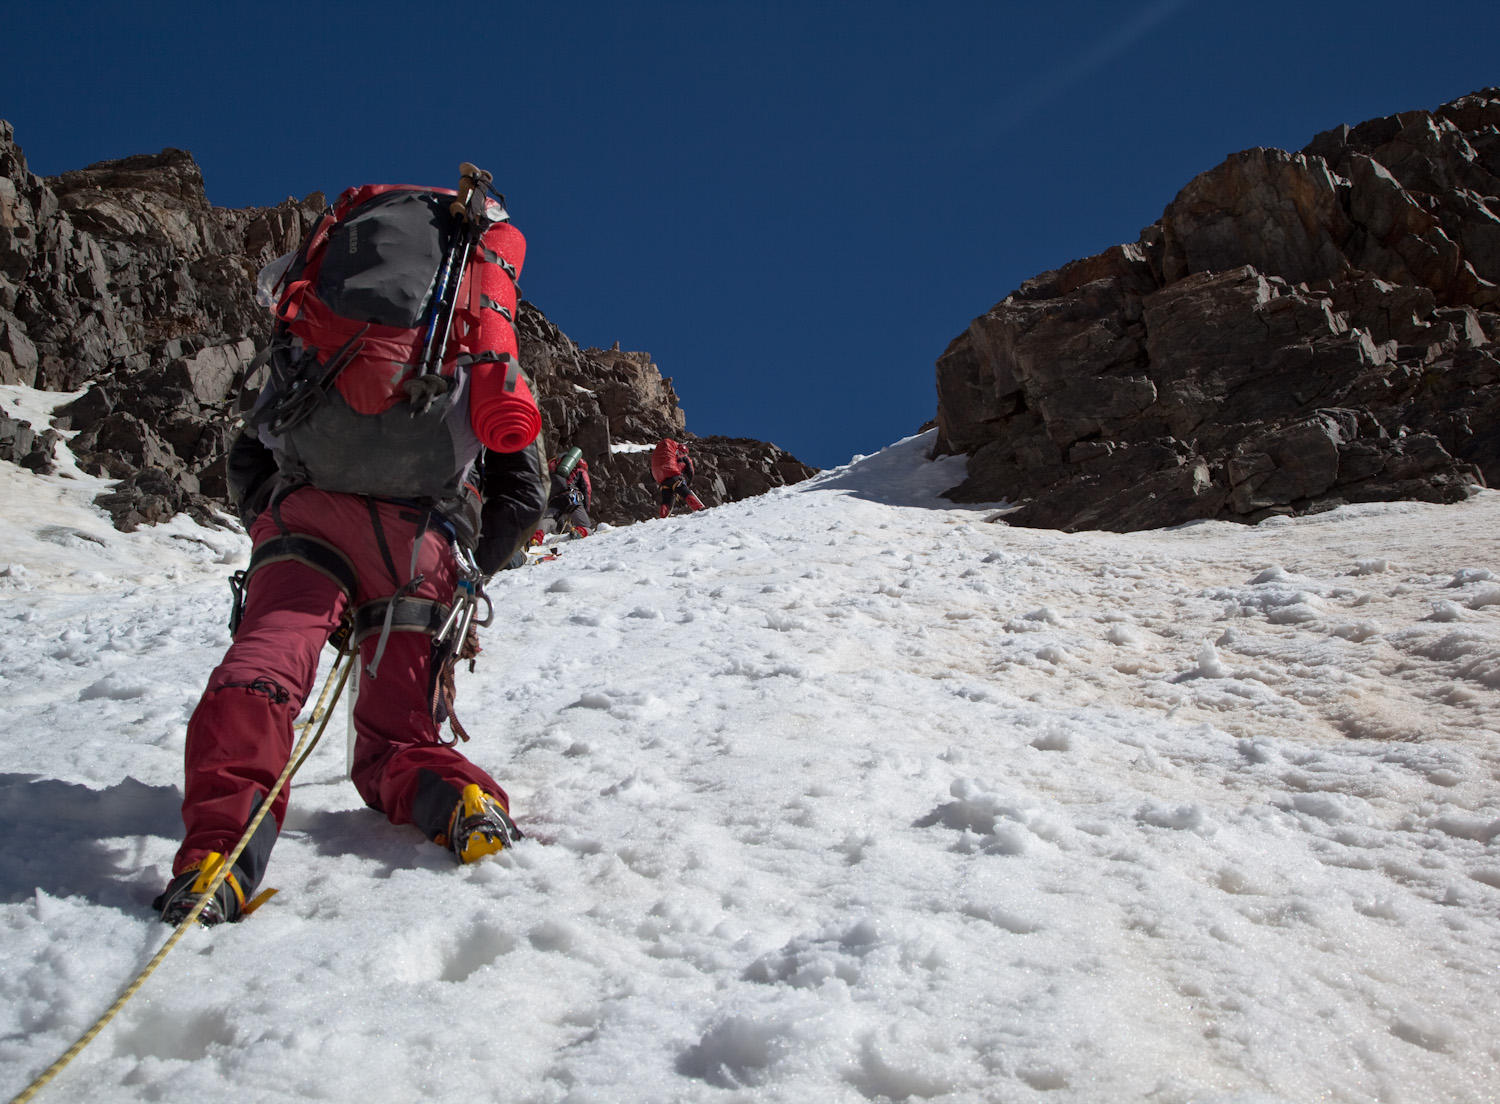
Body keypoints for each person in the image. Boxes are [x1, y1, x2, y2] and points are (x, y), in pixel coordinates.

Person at [154, 172, 547, 926]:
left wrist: (277, 529)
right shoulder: (480, 338)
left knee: (265, 664)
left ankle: (216, 857)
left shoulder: (327, 316)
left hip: (309, 517)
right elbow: (521, 495)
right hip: (420, 543)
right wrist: (466, 569)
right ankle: (460, 803)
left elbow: (249, 456)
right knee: (396, 733)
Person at [536, 447, 592, 540]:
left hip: (554, 499)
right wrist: (586, 508)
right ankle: (578, 532)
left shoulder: (553, 466)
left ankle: (536, 537)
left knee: (549, 520)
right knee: (586, 527)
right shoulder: (579, 469)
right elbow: (587, 488)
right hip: (573, 497)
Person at [651, 437, 705, 519]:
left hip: (664, 481)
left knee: (666, 500)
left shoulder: (672, 459)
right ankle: (699, 508)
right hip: (675, 479)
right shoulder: (685, 458)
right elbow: (690, 471)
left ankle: (663, 516)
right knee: (686, 493)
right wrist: (688, 482)